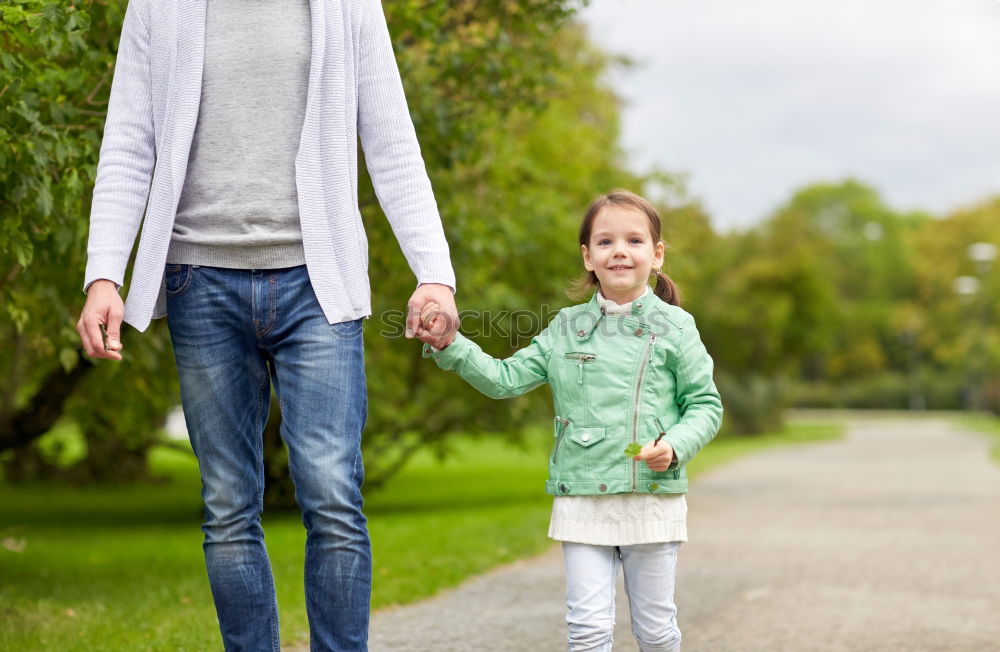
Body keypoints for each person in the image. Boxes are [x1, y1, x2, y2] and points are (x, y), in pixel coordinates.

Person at [75, 0, 457, 650]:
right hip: (200, 279)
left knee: (333, 494)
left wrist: (435, 273)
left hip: (318, 280)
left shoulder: (348, 7)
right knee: (227, 504)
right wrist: (103, 273)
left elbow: (392, 142)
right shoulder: (156, 8)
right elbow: (127, 143)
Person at [417, 189, 723, 652]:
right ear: (587, 257)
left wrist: (676, 444)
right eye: (605, 242)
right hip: (582, 498)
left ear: (656, 255)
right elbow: (505, 379)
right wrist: (450, 345)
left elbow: (705, 404)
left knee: (657, 631)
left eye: (634, 241)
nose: (619, 250)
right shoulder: (565, 327)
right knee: (587, 630)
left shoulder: (677, 327)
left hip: (651, 497)